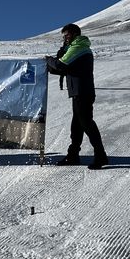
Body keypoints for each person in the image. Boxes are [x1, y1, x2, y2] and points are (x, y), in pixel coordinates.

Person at [45, 24, 108, 169]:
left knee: (86, 123)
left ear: (74, 34)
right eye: (64, 36)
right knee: (77, 126)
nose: (65, 38)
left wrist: (48, 59)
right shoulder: (75, 47)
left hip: (83, 92)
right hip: (78, 92)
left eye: (66, 35)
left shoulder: (78, 47)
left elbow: (61, 65)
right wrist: (53, 62)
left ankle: (101, 155)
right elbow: (64, 69)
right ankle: (73, 155)